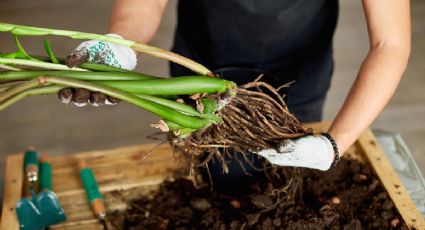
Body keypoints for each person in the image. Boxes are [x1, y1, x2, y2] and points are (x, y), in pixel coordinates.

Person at [62, 0, 411, 171]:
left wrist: (335, 145)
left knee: (281, 179)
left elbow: (390, 44)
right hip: (199, 71)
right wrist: (120, 42)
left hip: (296, 78)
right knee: (209, 172)